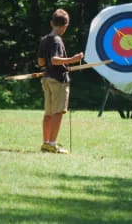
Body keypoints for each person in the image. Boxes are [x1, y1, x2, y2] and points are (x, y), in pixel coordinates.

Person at [37, 9, 83, 154]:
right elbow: (54, 60)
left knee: (49, 112)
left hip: (47, 79)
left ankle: (46, 143)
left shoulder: (44, 39)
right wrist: (73, 60)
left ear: (52, 23)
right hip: (58, 80)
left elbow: (40, 62)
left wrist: (52, 67)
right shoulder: (57, 40)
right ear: (65, 26)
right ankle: (52, 143)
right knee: (58, 112)